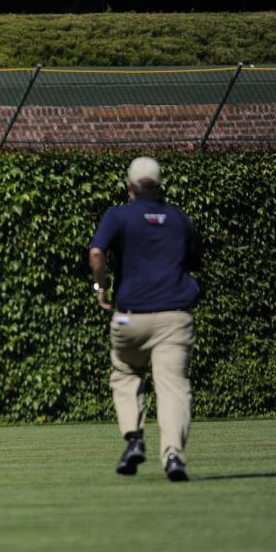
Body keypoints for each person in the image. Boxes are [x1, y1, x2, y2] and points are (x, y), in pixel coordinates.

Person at [89, 157, 202, 482]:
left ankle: (135, 439)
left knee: (125, 374)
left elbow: (97, 252)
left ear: (130, 186)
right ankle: (173, 458)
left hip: (128, 318)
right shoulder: (180, 219)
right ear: (159, 184)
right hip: (173, 318)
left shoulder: (119, 215)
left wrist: (101, 287)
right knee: (173, 387)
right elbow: (194, 261)